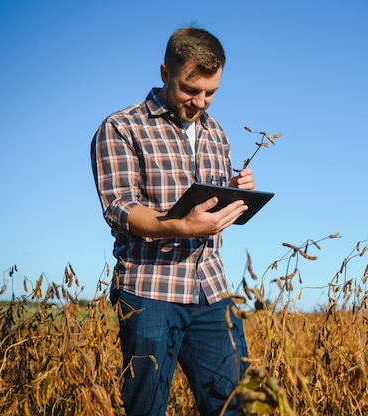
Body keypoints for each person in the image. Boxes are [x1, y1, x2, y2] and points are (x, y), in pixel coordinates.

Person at [91, 27, 252, 416]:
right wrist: (176, 227)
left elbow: (206, 206)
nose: (200, 102)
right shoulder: (121, 127)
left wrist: (236, 191)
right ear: (165, 73)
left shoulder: (217, 134)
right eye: (189, 89)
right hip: (149, 292)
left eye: (210, 92)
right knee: (146, 409)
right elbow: (120, 207)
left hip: (212, 291)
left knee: (237, 406)